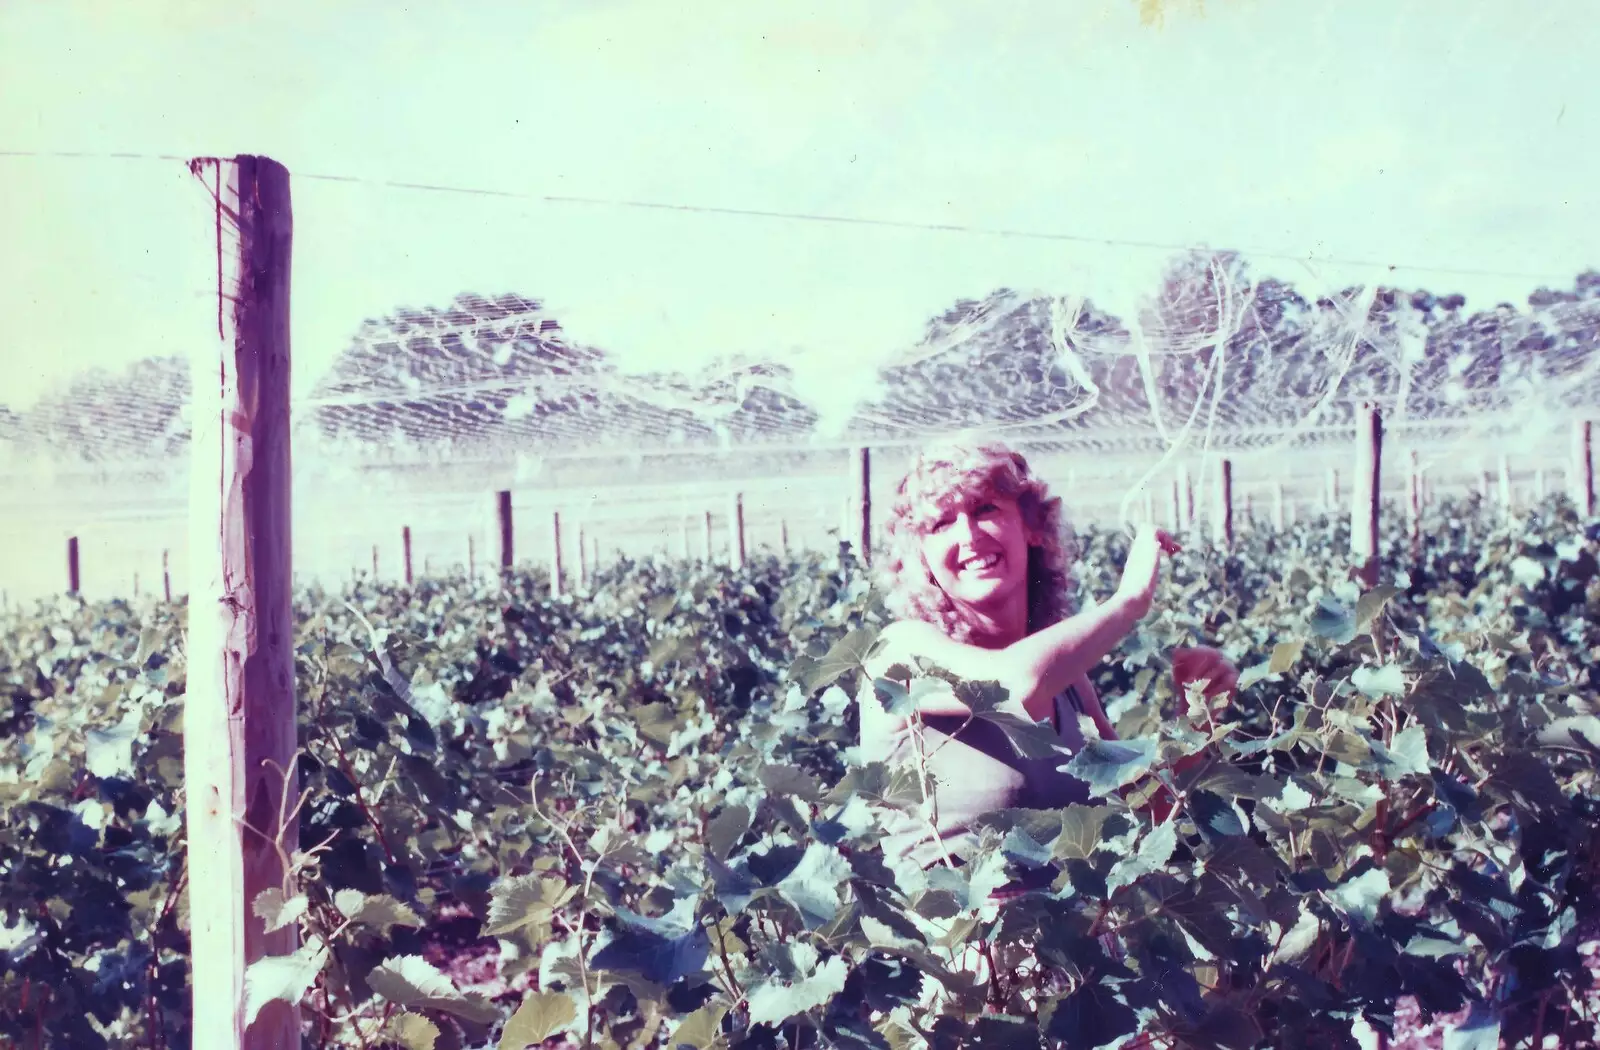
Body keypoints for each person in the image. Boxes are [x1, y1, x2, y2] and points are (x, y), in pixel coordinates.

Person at [860, 436, 1239, 871]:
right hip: (967, 937)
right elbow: (1010, 687)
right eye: (942, 523)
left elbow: (1141, 809)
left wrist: (1196, 714)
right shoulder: (901, 652)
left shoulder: (1069, 682)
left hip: (1081, 934)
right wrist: (1127, 602)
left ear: (1031, 527)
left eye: (986, 509)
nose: (968, 536)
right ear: (920, 554)